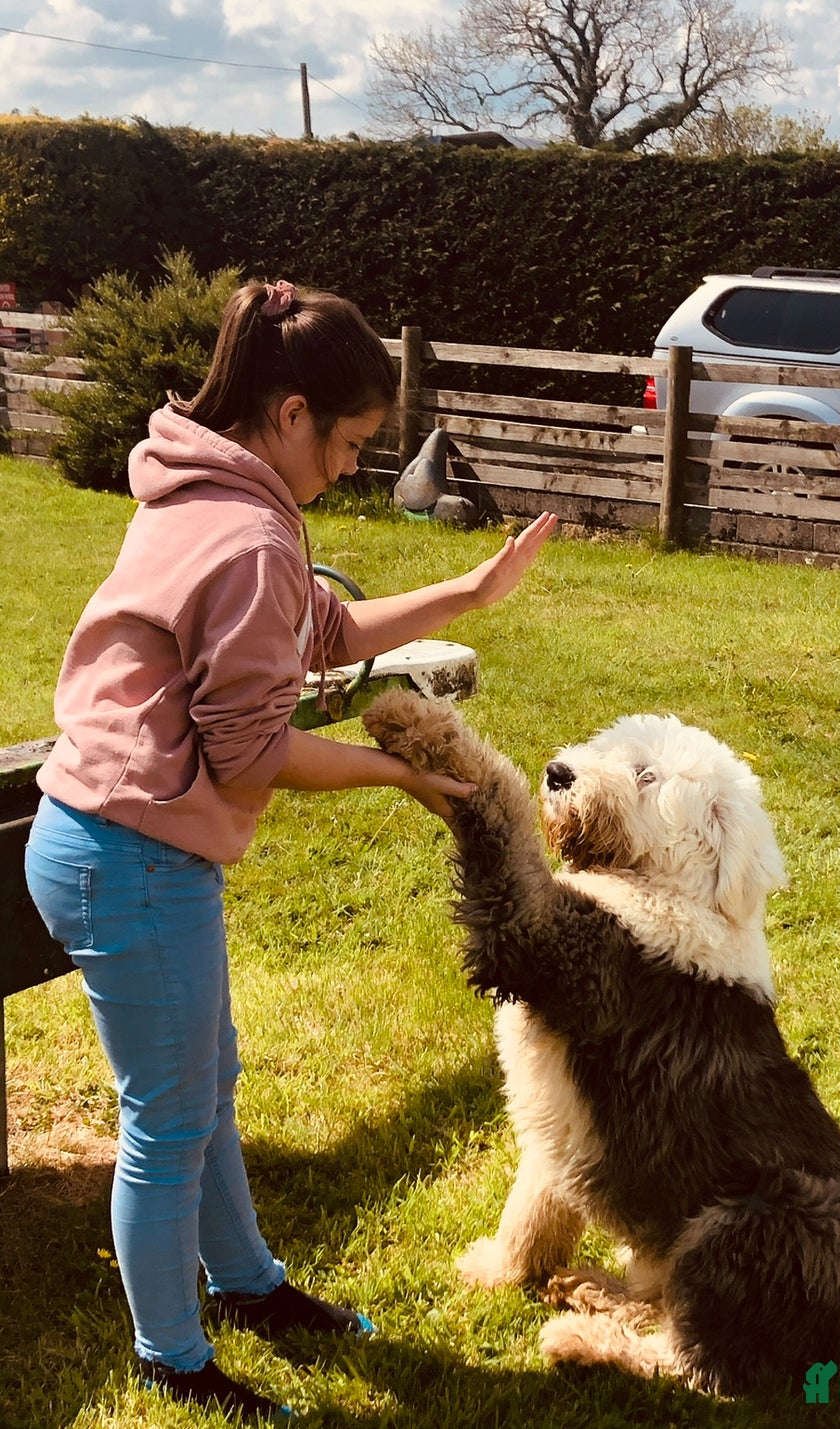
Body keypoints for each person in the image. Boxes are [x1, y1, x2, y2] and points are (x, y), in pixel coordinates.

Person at [24, 278, 557, 1421]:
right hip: (133, 856)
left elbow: (326, 628)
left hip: (104, 837)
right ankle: (173, 1354)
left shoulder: (205, 487)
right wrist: (404, 774)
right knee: (168, 1117)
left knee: (204, 1084)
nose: (349, 467)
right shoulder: (252, 529)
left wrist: (471, 585)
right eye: (351, 442)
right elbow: (251, 754)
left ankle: (249, 1284)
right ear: (292, 411)